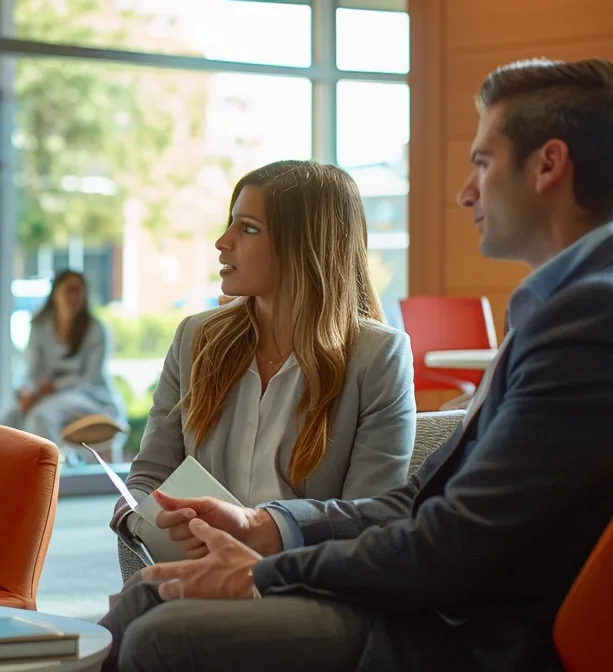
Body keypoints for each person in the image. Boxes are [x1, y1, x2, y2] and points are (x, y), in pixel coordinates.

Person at [96, 58, 613, 672]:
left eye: (483, 162)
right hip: (452, 606)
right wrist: (267, 526)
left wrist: (261, 571)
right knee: (150, 598)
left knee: (166, 634)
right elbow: (421, 502)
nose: (465, 191)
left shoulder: (602, 320)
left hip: (482, 637)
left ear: (548, 165)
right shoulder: (586, 302)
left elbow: (450, 545)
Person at [108, 160, 415, 548]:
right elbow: (147, 477)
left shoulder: (378, 357)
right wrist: (148, 522)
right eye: (231, 222)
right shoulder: (196, 338)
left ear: (304, 246)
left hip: (302, 584)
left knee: (140, 607)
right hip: (197, 574)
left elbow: (370, 514)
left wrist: (263, 531)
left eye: (248, 228)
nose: (223, 241)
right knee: (141, 600)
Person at [3, 270, 125, 465]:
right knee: (9, 419)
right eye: (69, 290)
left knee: (42, 415)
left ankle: (46, 479)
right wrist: (29, 392)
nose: (75, 296)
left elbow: (90, 378)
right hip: (46, 395)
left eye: (79, 290)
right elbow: (31, 368)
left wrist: (53, 388)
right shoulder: (40, 326)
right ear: (55, 293)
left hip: (89, 397)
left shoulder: (95, 329)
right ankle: (12, 475)